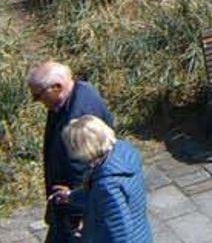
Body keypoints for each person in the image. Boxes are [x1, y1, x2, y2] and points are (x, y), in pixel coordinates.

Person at [30, 61, 112, 243]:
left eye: (38, 95)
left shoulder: (78, 116)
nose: (37, 101)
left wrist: (77, 211)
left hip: (73, 208)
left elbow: (84, 166)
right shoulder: (80, 91)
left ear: (57, 87)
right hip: (70, 202)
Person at [58, 117, 150, 243]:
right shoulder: (123, 152)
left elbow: (120, 233)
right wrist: (72, 197)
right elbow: (96, 196)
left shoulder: (107, 184)